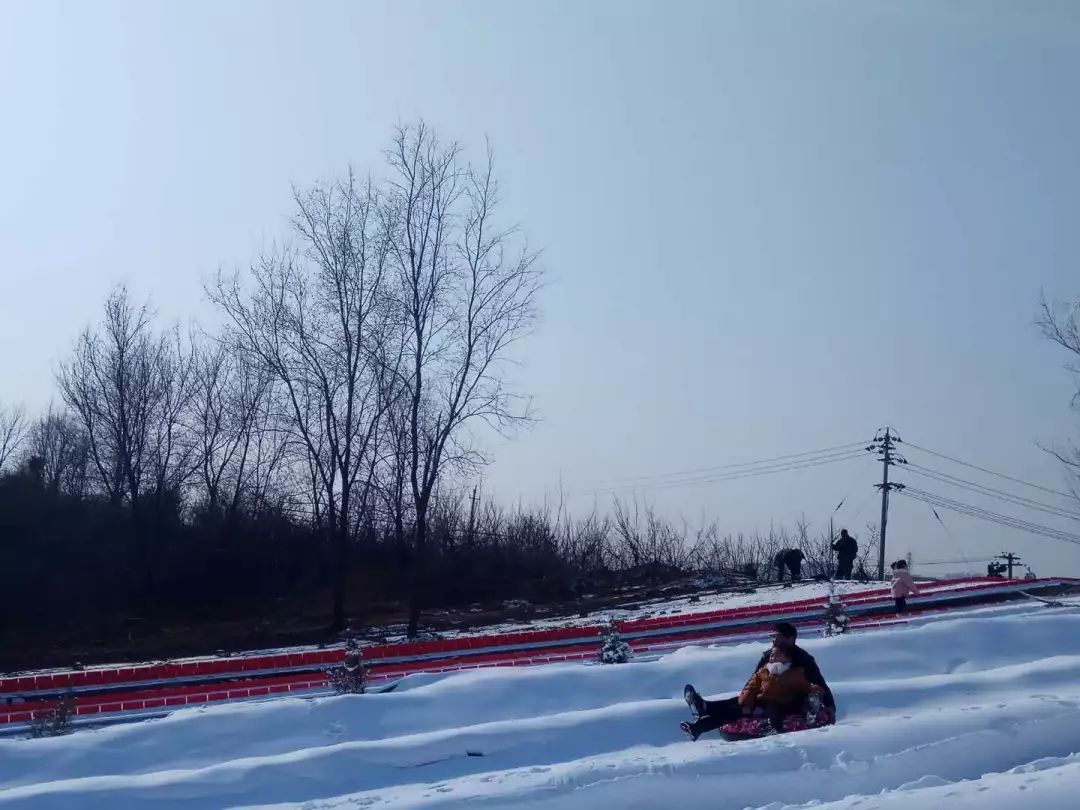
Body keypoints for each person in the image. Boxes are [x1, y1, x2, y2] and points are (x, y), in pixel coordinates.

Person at [680, 622, 834, 740]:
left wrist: (829, 707)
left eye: (777, 636)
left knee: (770, 707)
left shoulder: (803, 660)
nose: (773, 640)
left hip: (790, 701)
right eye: (772, 636)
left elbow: (818, 684)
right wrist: (747, 698)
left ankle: (807, 712)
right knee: (736, 705)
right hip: (764, 698)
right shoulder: (768, 656)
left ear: (790, 638)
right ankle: (702, 712)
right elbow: (753, 681)